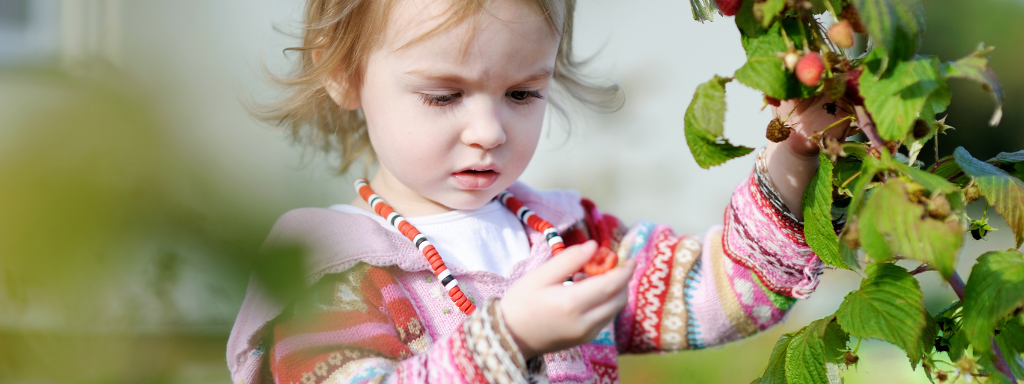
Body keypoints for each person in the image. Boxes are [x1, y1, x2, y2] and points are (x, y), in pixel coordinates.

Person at [226, 0, 852, 383]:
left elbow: (719, 292)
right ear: (344, 72)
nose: (489, 131)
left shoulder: (567, 240)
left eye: (522, 94)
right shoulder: (328, 268)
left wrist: (792, 154)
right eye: (444, 95)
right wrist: (508, 338)